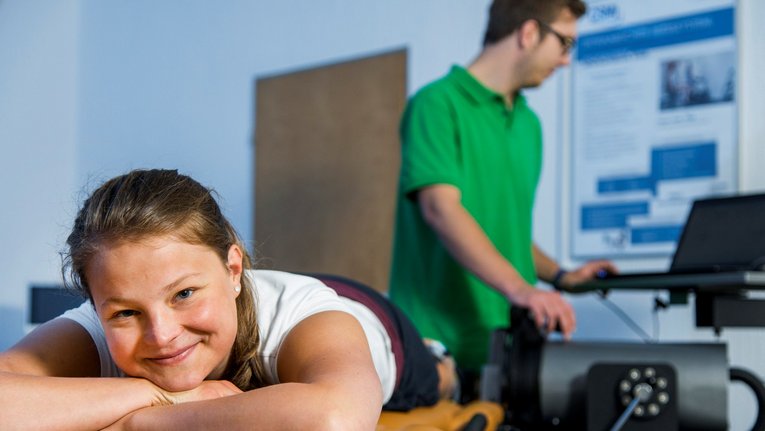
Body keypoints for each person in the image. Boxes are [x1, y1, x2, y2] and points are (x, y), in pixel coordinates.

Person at [0, 169, 456, 430]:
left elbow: (335, 419)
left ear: (234, 269)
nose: (161, 335)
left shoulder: (306, 317)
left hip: (372, 319)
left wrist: (141, 422)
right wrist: (157, 394)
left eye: (183, 293)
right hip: (255, 304)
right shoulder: (106, 318)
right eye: (126, 312)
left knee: (438, 382)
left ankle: (439, 360)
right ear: (98, 304)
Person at [388, 0, 617, 390]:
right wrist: (522, 289)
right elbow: (441, 210)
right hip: (437, 347)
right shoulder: (437, 105)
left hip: (506, 346)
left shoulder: (529, 125)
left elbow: (503, 231)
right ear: (529, 33)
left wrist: (562, 276)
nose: (565, 61)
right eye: (564, 44)